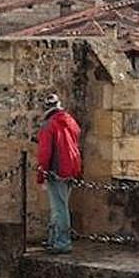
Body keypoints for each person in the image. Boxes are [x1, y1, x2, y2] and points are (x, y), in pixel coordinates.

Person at [36, 93, 81, 254]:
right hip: (72, 168)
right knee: (60, 205)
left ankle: (62, 242)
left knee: (59, 207)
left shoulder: (48, 125)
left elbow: (45, 153)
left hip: (57, 170)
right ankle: (53, 239)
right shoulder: (71, 122)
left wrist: (42, 174)